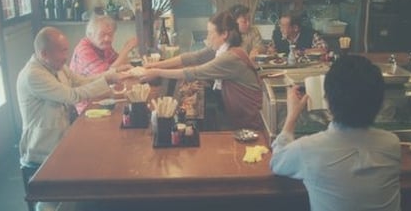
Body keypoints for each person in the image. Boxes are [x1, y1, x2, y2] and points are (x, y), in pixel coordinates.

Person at [17, 26, 130, 211]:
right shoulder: (33, 75)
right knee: (94, 164)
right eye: (62, 51)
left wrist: (110, 76)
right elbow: (72, 95)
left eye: (66, 50)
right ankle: (54, 203)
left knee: (103, 152)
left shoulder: (57, 66)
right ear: (44, 53)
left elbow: (82, 81)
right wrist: (107, 80)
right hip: (42, 146)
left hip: (62, 137)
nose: (66, 55)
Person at [270, 55, 401, 211]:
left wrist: (292, 115)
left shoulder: (308, 149)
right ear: (380, 103)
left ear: (327, 101)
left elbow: (277, 162)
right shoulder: (392, 144)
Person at [141, 11, 263, 130]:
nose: (207, 38)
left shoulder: (230, 57)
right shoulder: (222, 49)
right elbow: (193, 57)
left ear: (224, 34)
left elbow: (194, 72)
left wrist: (157, 72)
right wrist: (156, 65)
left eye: (210, 33)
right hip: (236, 113)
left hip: (249, 119)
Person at [69, 12, 138, 113]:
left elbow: (117, 64)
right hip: (87, 104)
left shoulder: (103, 46)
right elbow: (106, 74)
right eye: (102, 34)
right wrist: (127, 49)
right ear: (90, 34)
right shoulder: (83, 50)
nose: (107, 39)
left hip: (102, 94)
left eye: (110, 35)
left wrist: (125, 65)